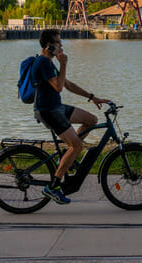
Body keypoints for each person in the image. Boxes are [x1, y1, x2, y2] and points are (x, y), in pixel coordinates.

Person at [32, 28, 110, 204]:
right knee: (77, 146)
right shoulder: (43, 63)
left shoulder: (48, 62)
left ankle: (67, 156)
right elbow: (58, 87)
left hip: (56, 107)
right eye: (58, 42)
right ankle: (52, 187)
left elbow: (66, 84)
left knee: (91, 120)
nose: (61, 45)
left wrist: (92, 97)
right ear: (48, 45)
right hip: (48, 110)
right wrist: (64, 64)